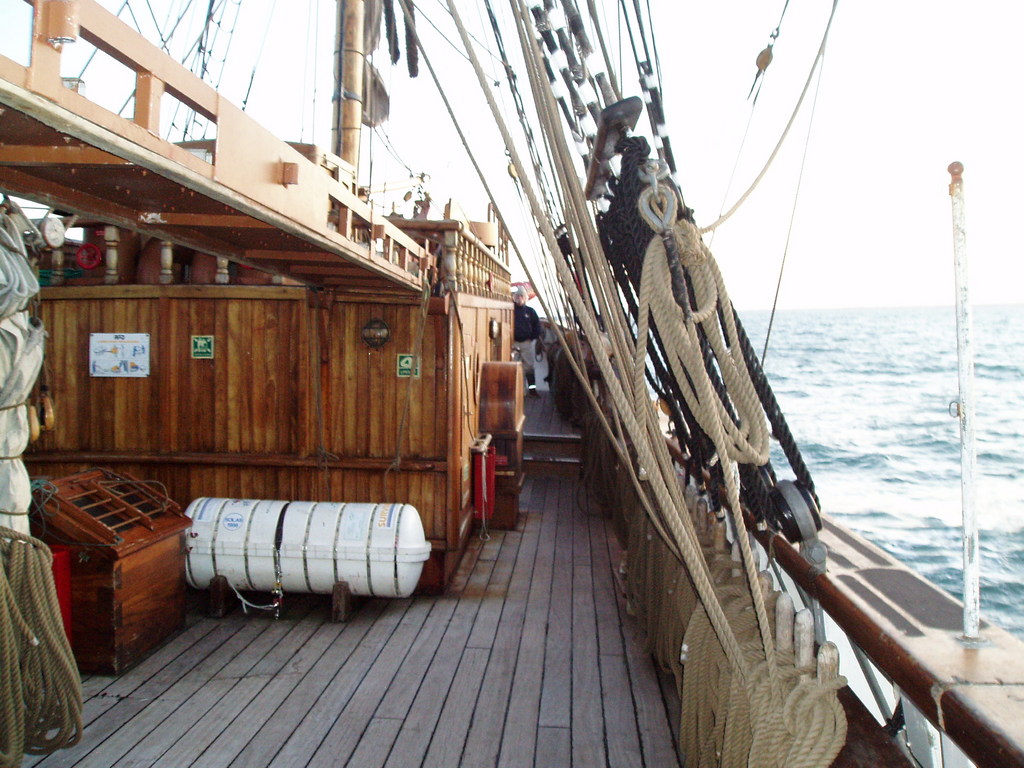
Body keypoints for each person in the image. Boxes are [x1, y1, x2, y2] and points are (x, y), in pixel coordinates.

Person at [512, 286, 541, 397]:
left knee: (529, 366)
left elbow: (537, 326)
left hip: (526, 343)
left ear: (525, 298)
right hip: (513, 343)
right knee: (515, 367)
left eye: (521, 296)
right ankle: (518, 391)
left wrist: (533, 337)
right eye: (517, 296)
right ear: (514, 297)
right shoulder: (510, 310)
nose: (519, 298)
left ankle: (532, 390)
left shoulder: (530, 311)